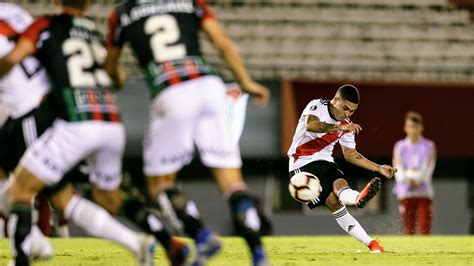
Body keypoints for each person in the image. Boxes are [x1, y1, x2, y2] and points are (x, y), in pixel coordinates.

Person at [0, 1, 167, 264]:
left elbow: (12, 59)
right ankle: (134, 241)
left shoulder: (42, 24)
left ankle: (27, 250)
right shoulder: (15, 12)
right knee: (64, 196)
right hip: (58, 106)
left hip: (29, 109)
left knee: (31, 192)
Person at [105, 1, 271, 265]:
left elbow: (110, 67)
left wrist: (117, 79)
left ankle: (202, 236)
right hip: (209, 85)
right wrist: (245, 81)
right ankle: (258, 253)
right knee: (232, 183)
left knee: (160, 186)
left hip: (171, 88)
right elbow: (222, 42)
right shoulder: (189, 1)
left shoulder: (122, 13)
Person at [287, 84, 397, 253]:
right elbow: (311, 125)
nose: (347, 114)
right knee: (333, 201)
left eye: (352, 111)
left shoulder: (347, 124)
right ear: (336, 99)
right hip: (301, 162)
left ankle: (358, 200)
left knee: (340, 183)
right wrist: (339, 127)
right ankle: (369, 241)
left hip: (325, 161)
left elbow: (350, 154)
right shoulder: (317, 106)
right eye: (345, 108)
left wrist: (378, 168)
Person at [393, 111, 436, 235]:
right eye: (411, 127)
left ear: (421, 127)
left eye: (416, 127)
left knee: (424, 227)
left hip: (423, 192)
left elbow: (428, 168)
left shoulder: (429, 146)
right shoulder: (399, 146)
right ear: (406, 128)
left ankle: (427, 253)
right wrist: (408, 179)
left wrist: (415, 179)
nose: (413, 130)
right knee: (408, 228)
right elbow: (398, 167)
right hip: (405, 192)